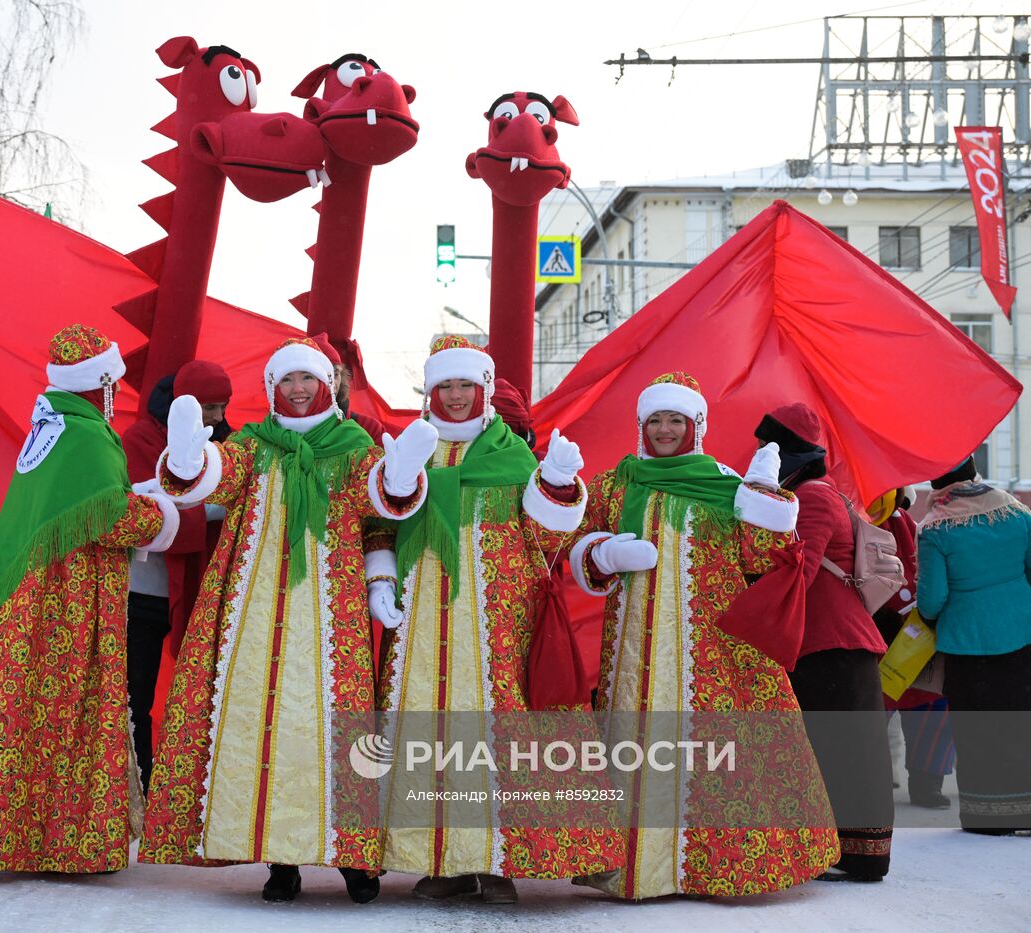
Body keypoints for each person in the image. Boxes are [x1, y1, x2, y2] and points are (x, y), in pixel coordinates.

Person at [139, 337, 437, 904]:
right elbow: (215, 482)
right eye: (286, 382)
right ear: (271, 390)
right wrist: (186, 461)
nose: (297, 391)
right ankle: (280, 860)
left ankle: (353, 858)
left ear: (326, 385)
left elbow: (380, 513)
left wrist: (397, 483)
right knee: (266, 729)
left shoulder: (353, 446)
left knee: (340, 729)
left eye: (307, 380)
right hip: (258, 613)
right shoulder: (254, 446)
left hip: (332, 615)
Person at [0, 324, 180, 871]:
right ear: (97, 384)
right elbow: (106, 516)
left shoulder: (50, 425)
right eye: (112, 382)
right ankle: (63, 840)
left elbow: (76, 501)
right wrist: (161, 514)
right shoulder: (87, 434)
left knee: (27, 710)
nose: (116, 393)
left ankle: (16, 834)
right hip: (66, 600)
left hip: (30, 596)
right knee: (67, 709)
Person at [563, 373, 839, 899]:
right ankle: (639, 866)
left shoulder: (726, 483)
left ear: (696, 426)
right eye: (655, 421)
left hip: (713, 647)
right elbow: (572, 547)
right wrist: (600, 554)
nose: (665, 430)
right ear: (641, 426)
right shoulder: (615, 484)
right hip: (634, 646)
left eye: (676, 421)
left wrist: (766, 504)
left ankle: (714, 866)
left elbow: (763, 560)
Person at [376, 338, 622, 904]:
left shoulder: (514, 456)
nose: (456, 396)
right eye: (446, 386)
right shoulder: (414, 450)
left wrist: (557, 484)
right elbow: (380, 526)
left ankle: (499, 860)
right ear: (431, 392)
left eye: (466, 385)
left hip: (499, 626)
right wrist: (382, 577)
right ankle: (443, 862)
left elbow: (545, 537)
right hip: (420, 626)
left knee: (504, 736)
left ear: (484, 390)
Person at [755, 403, 894, 882]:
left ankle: (854, 854)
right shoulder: (825, 489)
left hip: (829, 642)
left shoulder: (812, 496)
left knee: (838, 750)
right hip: (838, 641)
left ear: (789, 451)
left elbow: (803, 568)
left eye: (768, 445)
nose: (760, 453)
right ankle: (857, 853)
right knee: (848, 749)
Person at [120, 359, 233, 789]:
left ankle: (194, 788)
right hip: (145, 590)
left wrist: (191, 504)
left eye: (223, 406)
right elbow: (147, 510)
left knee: (203, 697)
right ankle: (137, 784)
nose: (218, 417)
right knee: (136, 694)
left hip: (204, 586)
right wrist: (213, 505)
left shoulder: (226, 442)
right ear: (184, 405)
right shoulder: (142, 438)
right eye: (209, 407)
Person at [917, 456, 1031, 834]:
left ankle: (989, 818)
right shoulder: (1016, 512)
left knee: (977, 730)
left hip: (967, 644)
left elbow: (932, 599)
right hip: (1021, 635)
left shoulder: (936, 528)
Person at [870, 488, 956, 810]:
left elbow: (918, 568)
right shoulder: (852, 518)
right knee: (869, 710)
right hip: (873, 632)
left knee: (932, 706)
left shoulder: (906, 523)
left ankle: (926, 781)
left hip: (911, 635)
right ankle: (873, 779)